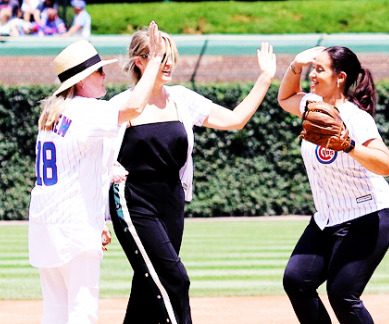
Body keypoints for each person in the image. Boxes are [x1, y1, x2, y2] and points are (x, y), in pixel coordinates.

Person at [107, 26, 276, 324]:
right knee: (175, 280)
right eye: (160, 56)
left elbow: (235, 120)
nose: (168, 62)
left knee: (147, 286)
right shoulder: (122, 105)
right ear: (140, 62)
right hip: (134, 203)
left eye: (170, 55)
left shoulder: (182, 99)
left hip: (171, 202)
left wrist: (265, 78)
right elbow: (95, 158)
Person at [28, 21, 165, 324]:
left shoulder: (53, 114)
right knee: (82, 312)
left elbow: (79, 166)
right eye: (98, 71)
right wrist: (154, 60)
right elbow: (134, 107)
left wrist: (98, 216)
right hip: (73, 229)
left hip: (44, 226)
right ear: (79, 81)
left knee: (54, 312)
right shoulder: (84, 109)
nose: (105, 75)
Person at [277, 45, 389, 324]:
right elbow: (284, 97)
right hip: (328, 217)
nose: (312, 74)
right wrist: (295, 64)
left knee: (342, 293)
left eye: (319, 69)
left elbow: (386, 165)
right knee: (297, 280)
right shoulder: (312, 106)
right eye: (313, 68)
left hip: (369, 215)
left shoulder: (357, 119)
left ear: (340, 77)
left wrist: (350, 145)